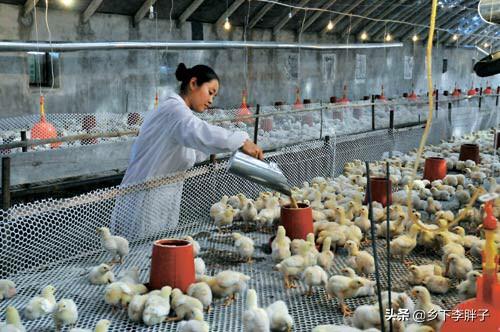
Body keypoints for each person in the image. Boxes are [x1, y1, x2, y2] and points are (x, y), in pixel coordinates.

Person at [111, 63, 263, 239]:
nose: (211, 100)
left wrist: (210, 150)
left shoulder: (179, 114)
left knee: (161, 248)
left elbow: (188, 149)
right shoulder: (174, 110)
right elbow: (199, 132)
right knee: (142, 253)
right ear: (193, 83)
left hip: (162, 193)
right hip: (145, 198)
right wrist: (241, 140)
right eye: (210, 92)